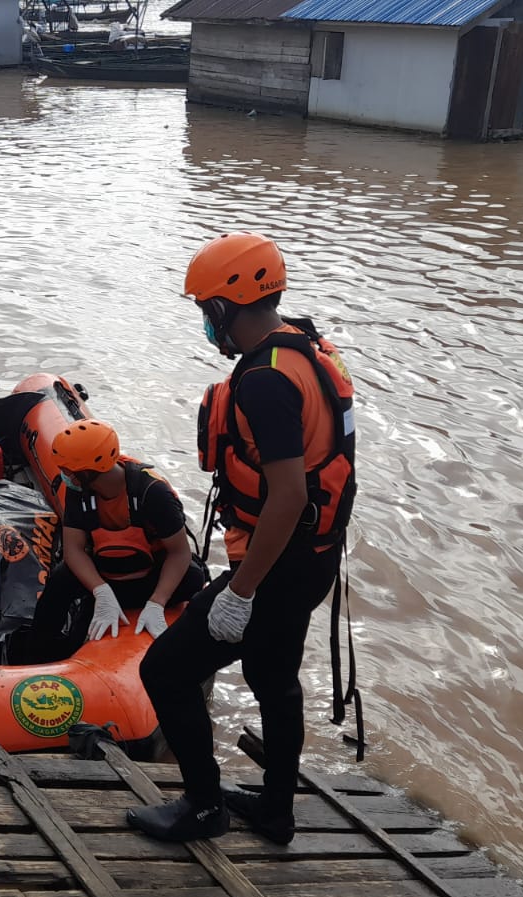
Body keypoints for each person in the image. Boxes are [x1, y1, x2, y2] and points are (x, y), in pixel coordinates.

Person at [127, 232, 357, 843]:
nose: (207, 325)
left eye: (207, 312)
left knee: (165, 672)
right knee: (274, 680)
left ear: (225, 307)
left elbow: (288, 494)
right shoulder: (308, 351)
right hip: (314, 557)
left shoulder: (263, 382)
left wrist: (241, 593)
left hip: (274, 566)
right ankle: (276, 809)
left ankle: (203, 808)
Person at [18, 419, 206, 663]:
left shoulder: (152, 493)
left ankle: (115, 611)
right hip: (106, 574)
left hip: (149, 574)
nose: (63, 475)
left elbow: (179, 553)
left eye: (67, 470)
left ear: (85, 472)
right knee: (60, 581)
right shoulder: (78, 492)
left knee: (194, 578)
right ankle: (38, 653)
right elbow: (73, 550)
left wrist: (157, 602)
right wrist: (101, 591)